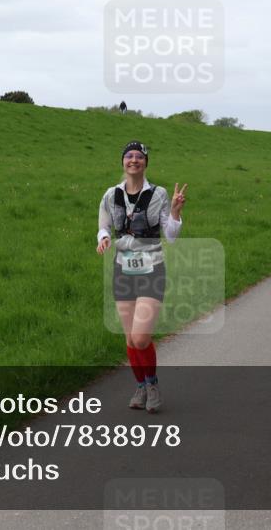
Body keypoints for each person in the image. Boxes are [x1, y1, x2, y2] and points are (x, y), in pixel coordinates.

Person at [97, 141, 186, 413]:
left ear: (146, 163)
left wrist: (174, 212)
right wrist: (103, 239)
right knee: (129, 339)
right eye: (129, 156)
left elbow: (170, 236)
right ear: (122, 162)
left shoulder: (158, 194)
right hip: (123, 270)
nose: (133, 160)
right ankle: (140, 385)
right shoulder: (111, 195)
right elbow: (104, 225)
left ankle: (152, 384)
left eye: (139, 156)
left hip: (151, 268)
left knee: (141, 337)